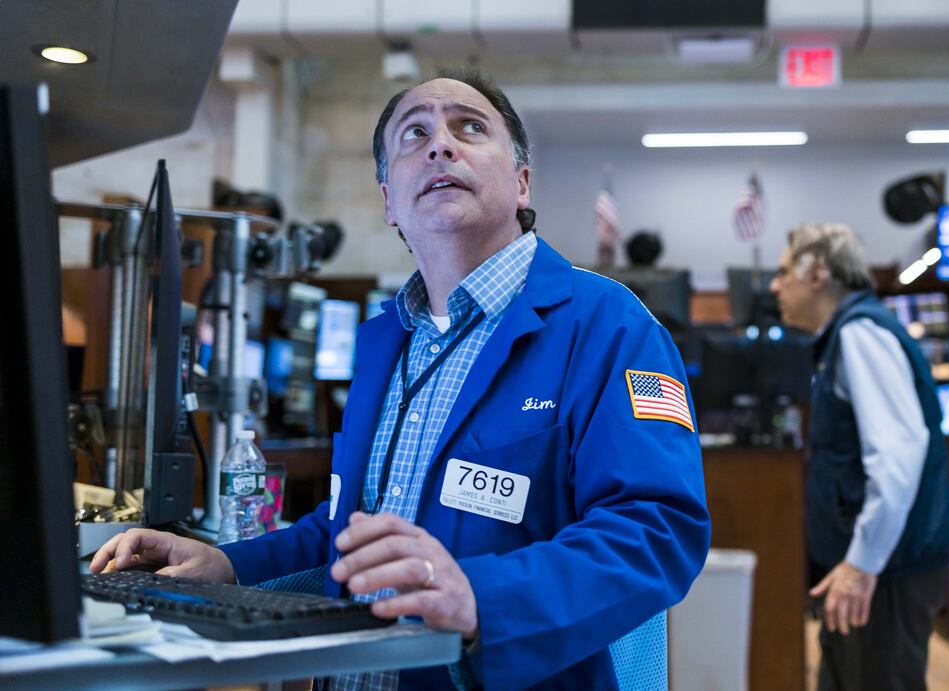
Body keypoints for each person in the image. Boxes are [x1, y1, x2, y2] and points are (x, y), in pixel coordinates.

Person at [91, 68, 711, 690]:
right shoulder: (386, 338)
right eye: (413, 134)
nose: (440, 144)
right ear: (389, 200)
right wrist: (227, 563)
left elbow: (657, 528)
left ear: (522, 184)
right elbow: (352, 528)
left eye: (470, 127)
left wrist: (481, 601)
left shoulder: (609, 325)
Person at [769, 223, 949, 691]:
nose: (775, 285)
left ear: (817, 273)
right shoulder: (849, 333)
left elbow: (896, 457)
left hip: (886, 570)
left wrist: (861, 565)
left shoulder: (861, 335)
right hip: (874, 564)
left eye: (783, 271)